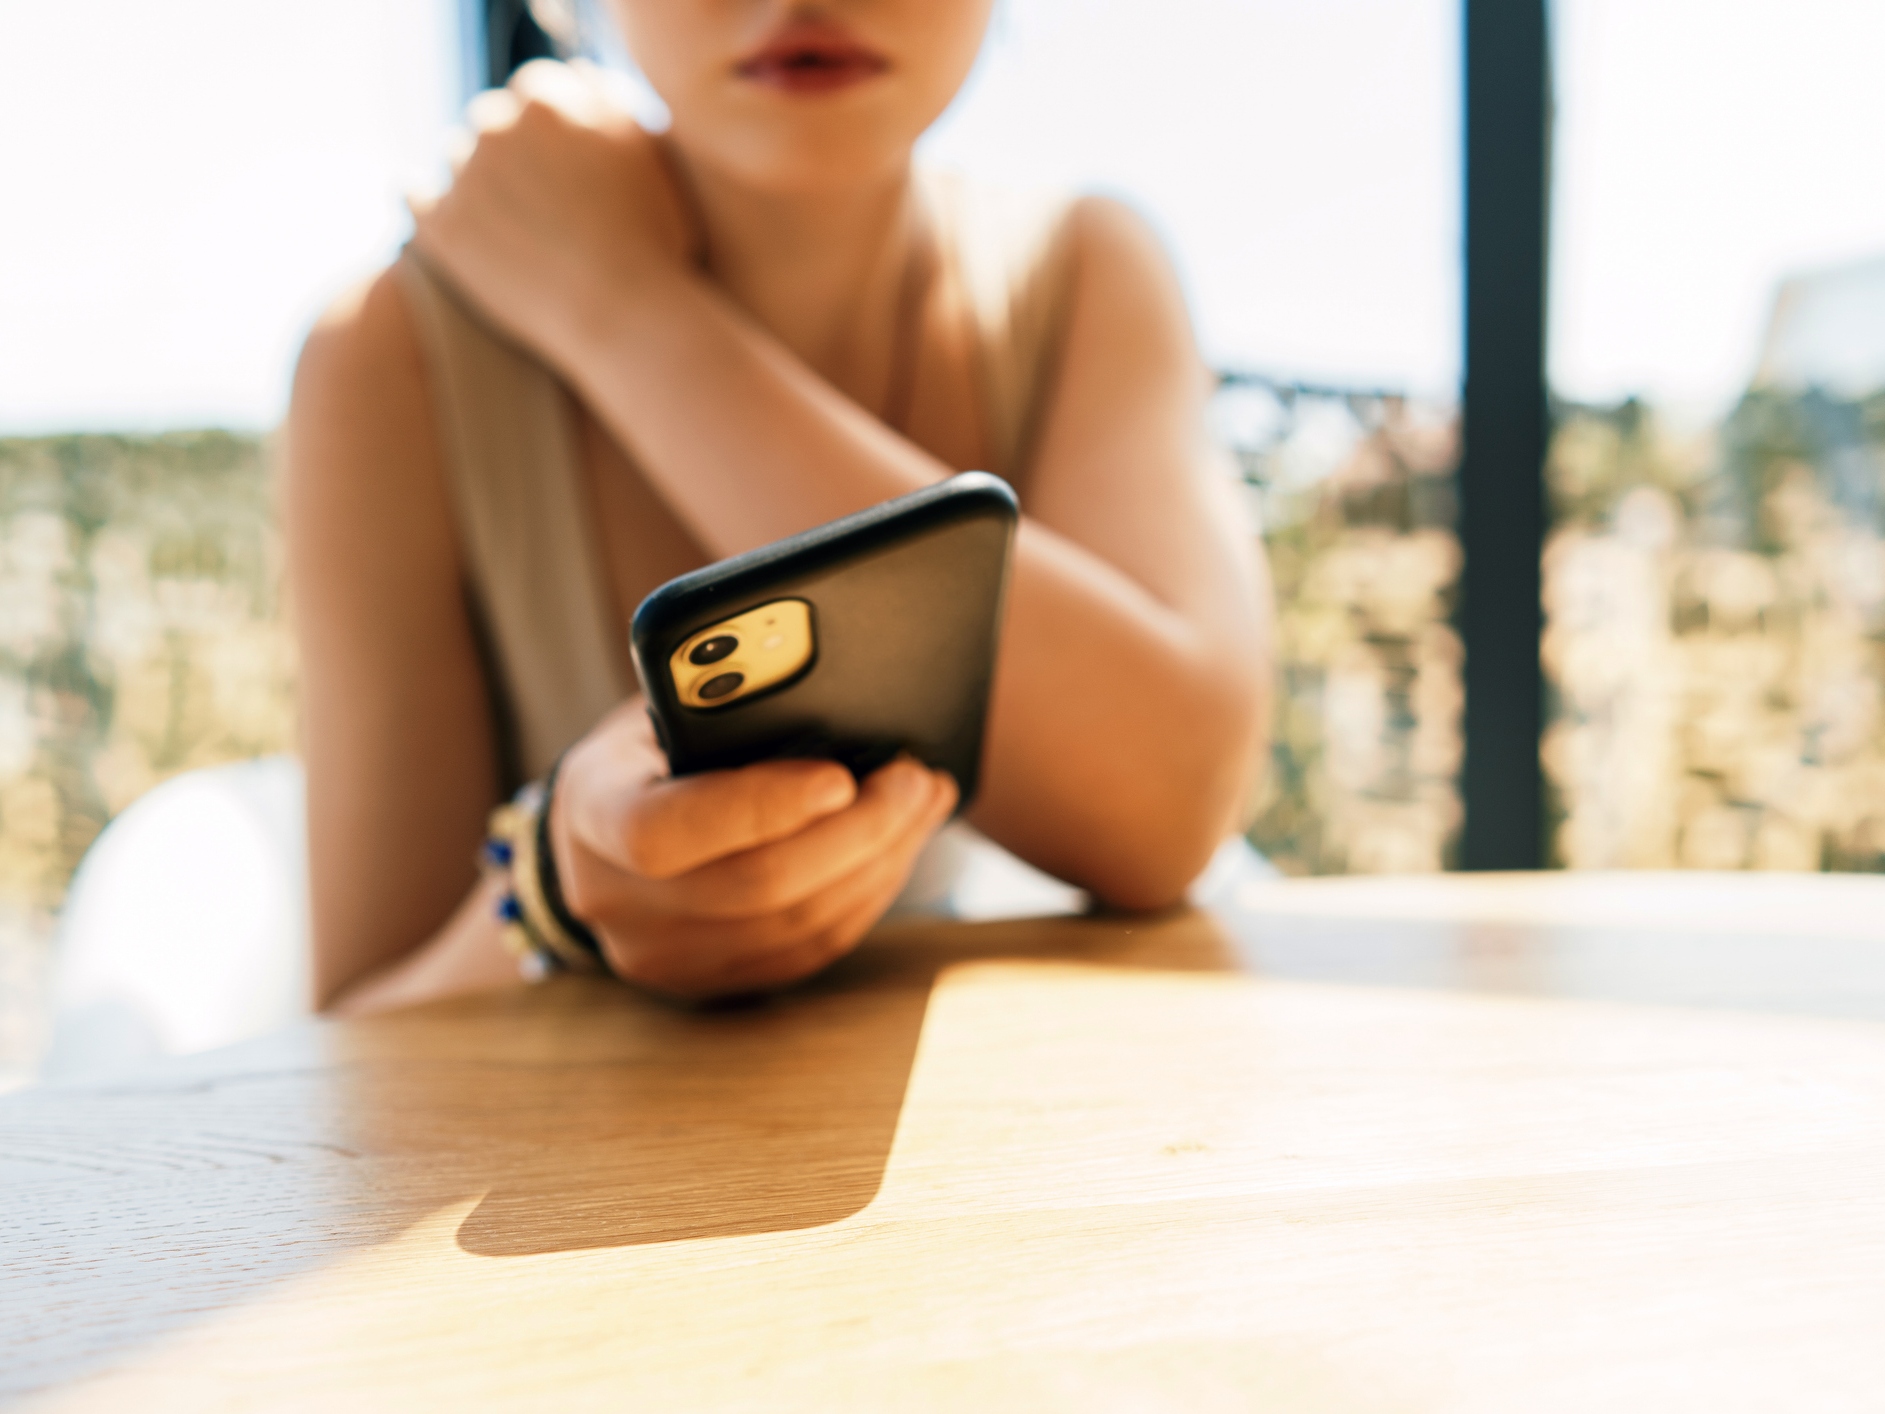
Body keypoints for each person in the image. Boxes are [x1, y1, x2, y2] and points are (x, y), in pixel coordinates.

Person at [285, 0, 1273, 1016]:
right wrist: (557, 888)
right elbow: (355, 1030)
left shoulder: (1079, 270)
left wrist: (621, 307)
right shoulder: (395, 356)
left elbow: (1169, 808)